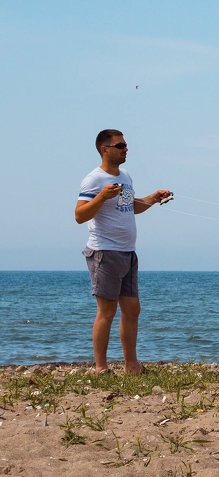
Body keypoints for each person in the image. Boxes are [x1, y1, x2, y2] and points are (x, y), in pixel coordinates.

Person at [75, 129, 172, 375]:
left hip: (128, 253)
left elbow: (130, 207)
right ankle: (100, 368)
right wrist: (100, 196)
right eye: (120, 145)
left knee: (132, 309)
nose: (125, 149)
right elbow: (79, 215)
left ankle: (132, 366)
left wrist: (153, 198)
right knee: (106, 311)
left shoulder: (126, 176)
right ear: (104, 149)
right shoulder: (93, 180)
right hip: (104, 252)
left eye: (126, 145)